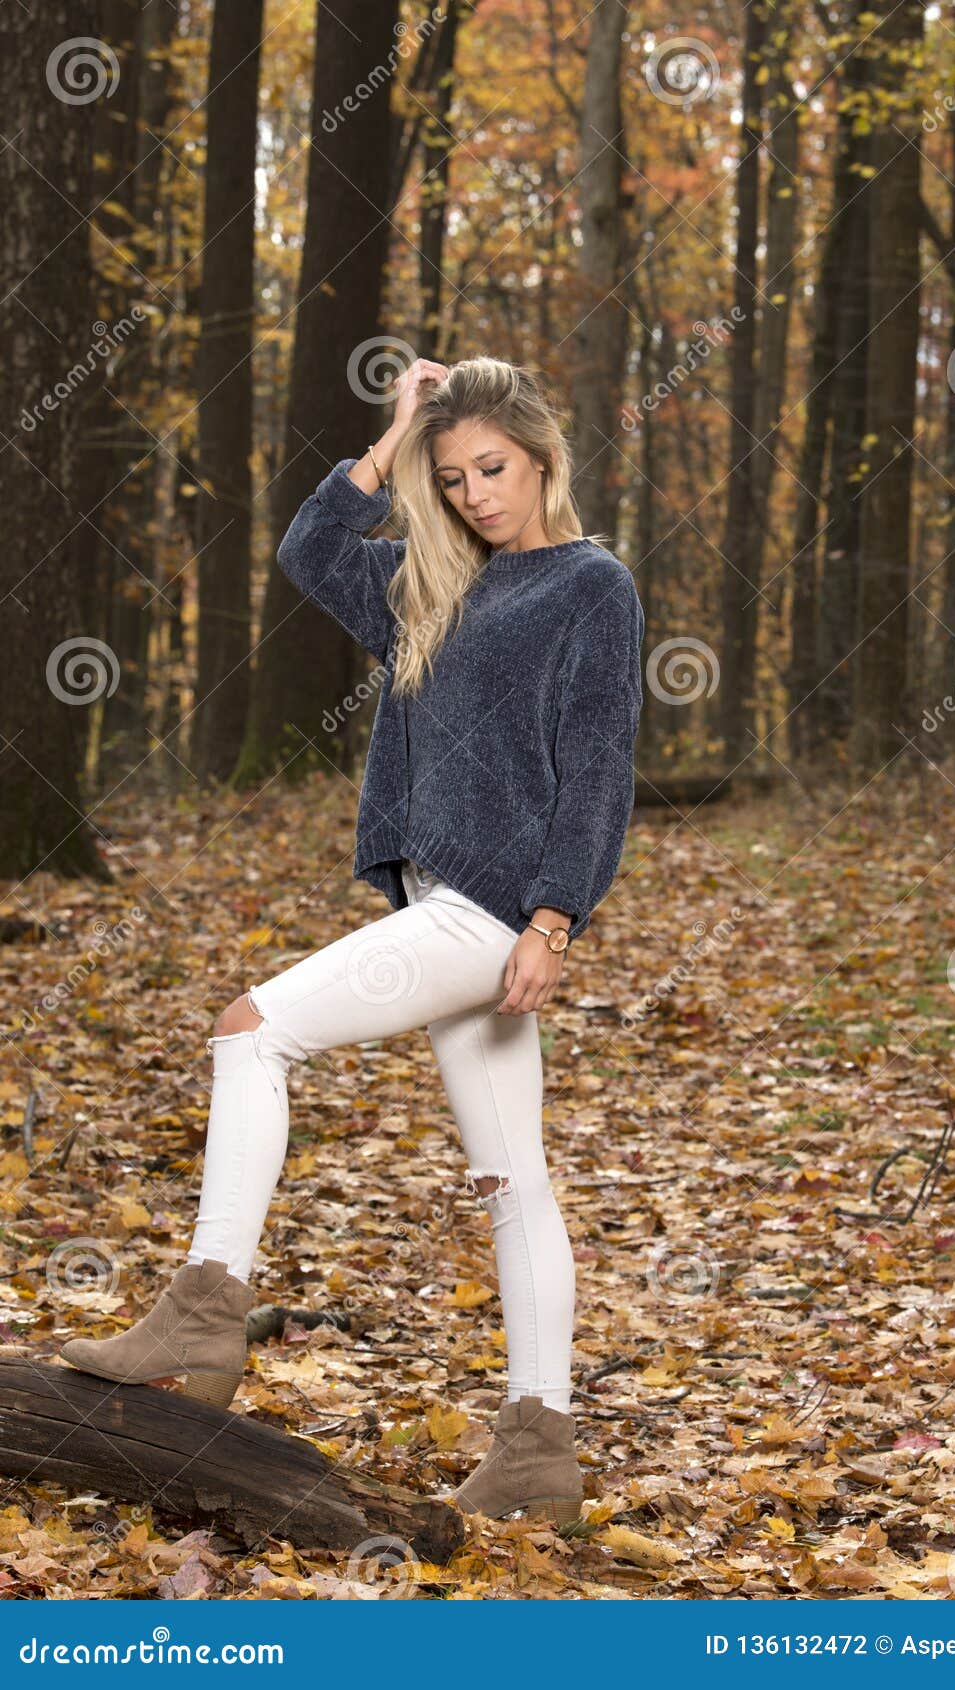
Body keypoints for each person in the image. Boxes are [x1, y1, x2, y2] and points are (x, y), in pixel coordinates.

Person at [57, 355, 645, 1525]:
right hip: (441, 902)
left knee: (252, 1031)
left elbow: (599, 771)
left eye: (494, 468)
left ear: (540, 458)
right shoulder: (431, 585)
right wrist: (389, 440)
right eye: (454, 475)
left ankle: (207, 1304)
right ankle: (539, 1448)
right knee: (512, 1180)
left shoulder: (592, 586)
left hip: (488, 911)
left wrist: (552, 920)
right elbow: (310, 552)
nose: (476, 493)